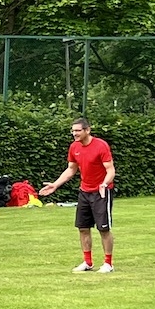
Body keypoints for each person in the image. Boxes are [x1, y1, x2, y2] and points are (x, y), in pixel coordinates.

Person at [39, 117, 116, 273]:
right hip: (84, 192)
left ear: (87, 130)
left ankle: (108, 263)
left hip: (101, 192)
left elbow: (110, 170)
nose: (74, 133)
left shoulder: (101, 146)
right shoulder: (74, 147)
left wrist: (104, 184)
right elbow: (71, 169)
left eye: (78, 130)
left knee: (103, 229)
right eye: (73, 130)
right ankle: (87, 262)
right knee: (83, 228)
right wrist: (55, 184)